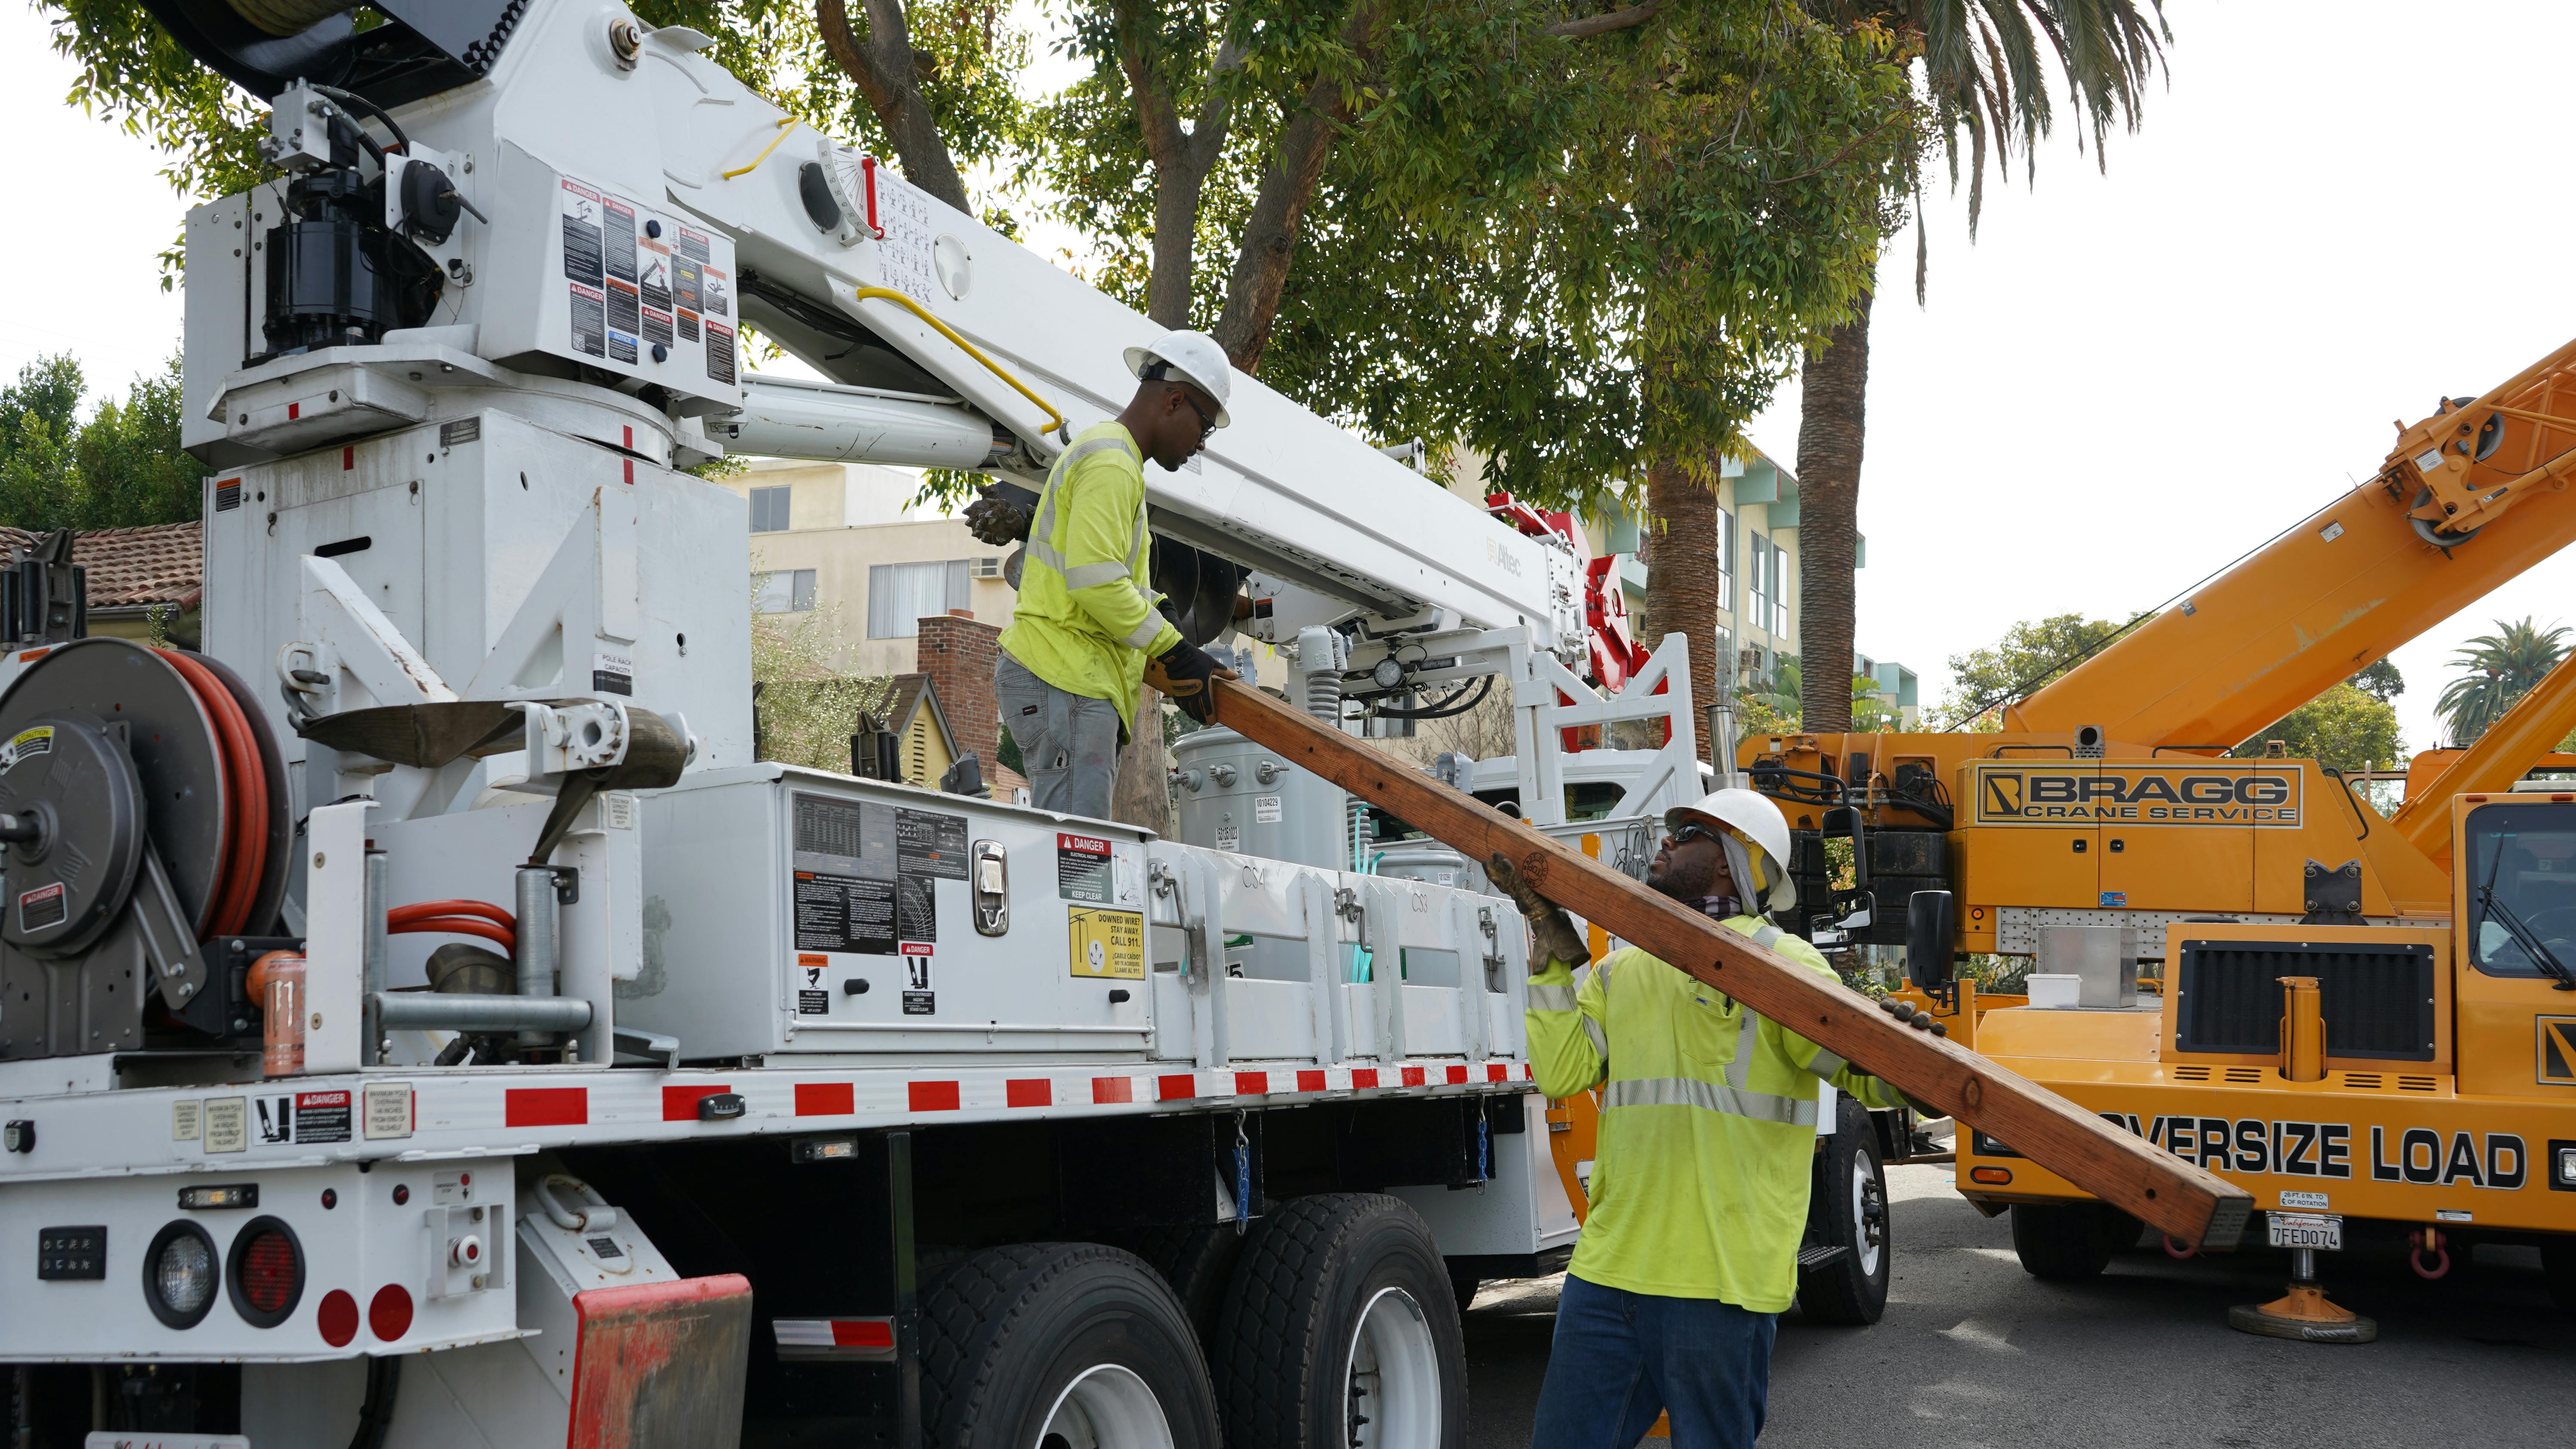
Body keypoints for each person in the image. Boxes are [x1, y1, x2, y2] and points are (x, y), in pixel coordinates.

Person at [1492, 787, 1917, 1449]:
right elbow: (1564, 1072)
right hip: (1608, 1271)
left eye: (1688, 830)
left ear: (1734, 863)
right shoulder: (1622, 968)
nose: (1665, 838)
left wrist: (1913, 1053)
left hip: (1721, 1280)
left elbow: (1870, 1076)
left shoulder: (1784, 965)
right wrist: (1549, 963)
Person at [980, 330, 1239, 817]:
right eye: (1204, 429)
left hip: (1064, 677)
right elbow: (1097, 583)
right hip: (1064, 675)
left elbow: (1116, 576)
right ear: (1175, 400)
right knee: (1079, 862)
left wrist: (1166, 621)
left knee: (1079, 853)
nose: (1200, 445)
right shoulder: (1112, 464)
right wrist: (1176, 653)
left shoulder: (1113, 459)